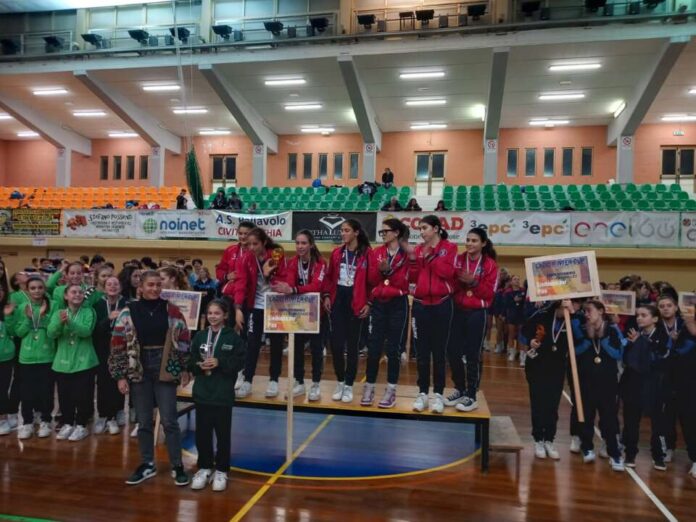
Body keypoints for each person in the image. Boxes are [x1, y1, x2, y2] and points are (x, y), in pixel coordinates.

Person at [110, 270, 191, 486]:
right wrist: (120, 376)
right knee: (144, 421)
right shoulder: (129, 311)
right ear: (141, 287)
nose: (155, 289)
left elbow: (184, 339)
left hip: (166, 366)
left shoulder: (172, 310)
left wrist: (184, 368)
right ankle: (147, 464)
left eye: (158, 285)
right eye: (150, 285)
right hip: (138, 367)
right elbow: (117, 343)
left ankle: (177, 465)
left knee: (170, 420)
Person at [189, 299, 246, 492]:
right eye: (210, 313)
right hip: (202, 392)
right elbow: (190, 361)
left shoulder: (233, 338)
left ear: (225, 315)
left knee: (223, 435)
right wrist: (198, 365)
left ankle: (221, 470)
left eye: (217, 313)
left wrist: (219, 362)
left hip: (222, 394)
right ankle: (204, 467)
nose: (213, 316)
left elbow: (239, 362)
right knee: (202, 434)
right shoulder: (200, 336)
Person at [407, 215, 457, 413]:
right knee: (421, 353)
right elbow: (413, 276)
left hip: (442, 304)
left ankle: (438, 394)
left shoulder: (450, 248)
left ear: (436, 228)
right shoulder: (418, 249)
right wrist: (413, 263)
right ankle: (422, 393)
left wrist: (431, 257)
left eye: (425, 227)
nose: (421, 232)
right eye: (420, 228)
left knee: (439, 353)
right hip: (420, 305)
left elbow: (448, 273)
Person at [445, 228, 498, 413]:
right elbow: (451, 284)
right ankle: (460, 388)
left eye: (474, 240)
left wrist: (473, 282)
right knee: (452, 351)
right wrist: (460, 282)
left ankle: (472, 394)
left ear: (483, 243)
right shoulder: (459, 259)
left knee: (473, 354)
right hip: (458, 311)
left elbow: (489, 294)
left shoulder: (490, 265)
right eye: (467, 240)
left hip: (477, 313)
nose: (469, 243)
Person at [230, 228, 287, 399]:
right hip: (255, 306)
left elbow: (285, 279)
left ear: (264, 242)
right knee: (252, 344)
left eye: (255, 244)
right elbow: (240, 284)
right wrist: (238, 308)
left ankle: (274, 380)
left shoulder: (277, 253)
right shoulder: (245, 258)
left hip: (275, 305)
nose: (251, 247)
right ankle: (247, 380)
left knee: (276, 344)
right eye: (249, 244)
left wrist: (269, 275)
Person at [322, 219, 373, 404]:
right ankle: (340, 381)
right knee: (336, 345)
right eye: (342, 230)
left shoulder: (367, 253)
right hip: (338, 300)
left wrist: (369, 302)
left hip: (356, 301)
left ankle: (349, 384)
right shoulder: (337, 253)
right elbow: (329, 278)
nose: (343, 233)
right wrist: (327, 296)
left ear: (356, 232)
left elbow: (372, 281)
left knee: (352, 346)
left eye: (346, 230)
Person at [272, 230, 327, 401]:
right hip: (298, 311)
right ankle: (299, 382)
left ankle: (316, 384)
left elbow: (317, 286)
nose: (300, 246)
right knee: (296, 348)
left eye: (303, 243)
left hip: (316, 312)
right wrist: (285, 288)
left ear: (311, 245)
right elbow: (289, 283)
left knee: (316, 349)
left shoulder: (320, 263)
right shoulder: (292, 262)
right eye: (297, 243)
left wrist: (294, 289)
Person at [361, 218, 410, 408]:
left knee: (393, 349)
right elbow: (371, 279)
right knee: (374, 348)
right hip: (379, 304)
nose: (383, 235)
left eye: (386, 231)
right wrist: (381, 272)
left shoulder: (406, 254)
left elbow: (405, 282)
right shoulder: (377, 252)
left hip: (398, 303)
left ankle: (391, 390)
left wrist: (389, 272)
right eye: (381, 232)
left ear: (396, 233)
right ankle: (369, 386)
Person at [574, 300, 625, 471]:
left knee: (609, 418)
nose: (586, 314)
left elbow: (618, 354)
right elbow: (575, 352)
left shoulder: (612, 329)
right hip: (586, 380)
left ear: (601, 311)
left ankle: (614, 453)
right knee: (587, 416)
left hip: (607, 382)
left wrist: (602, 339)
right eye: (584, 311)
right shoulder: (582, 329)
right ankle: (587, 447)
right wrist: (588, 340)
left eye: (589, 311)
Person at [520, 300, 574, 460]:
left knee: (552, 405)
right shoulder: (542, 315)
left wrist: (573, 314)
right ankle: (538, 439)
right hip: (537, 366)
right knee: (538, 403)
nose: (566, 310)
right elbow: (524, 331)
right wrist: (530, 341)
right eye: (564, 307)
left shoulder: (572, 321)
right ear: (557, 305)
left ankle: (549, 439)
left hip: (557, 368)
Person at [620, 304, 670, 470]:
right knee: (631, 420)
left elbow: (658, 360)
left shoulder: (662, 336)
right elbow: (626, 359)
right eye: (637, 315)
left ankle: (658, 455)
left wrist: (641, 343)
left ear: (655, 318)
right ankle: (630, 453)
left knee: (657, 422)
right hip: (633, 383)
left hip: (653, 384)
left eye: (643, 315)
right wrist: (632, 345)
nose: (639, 318)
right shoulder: (633, 334)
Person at [48, 284, 98, 442]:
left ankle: (82, 425)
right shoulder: (59, 313)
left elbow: (86, 332)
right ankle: (68, 423)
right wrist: (60, 323)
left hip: (84, 361)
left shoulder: (89, 311)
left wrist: (69, 322)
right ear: (66, 296)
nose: (77, 294)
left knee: (83, 396)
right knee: (65, 396)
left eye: (80, 292)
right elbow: (51, 333)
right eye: (73, 292)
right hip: (62, 362)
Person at [12, 276, 54, 439]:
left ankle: (45, 420)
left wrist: (42, 317)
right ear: (27, 290)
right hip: (27, 357)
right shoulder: (22, 307)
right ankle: (27, 422)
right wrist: (29, 319)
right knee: (27, 392)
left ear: (44, 289)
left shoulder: (53, 305)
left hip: (47, 356)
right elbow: (19, 332)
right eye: (33, 288)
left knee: (46, 391)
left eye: (40, 287)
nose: (37, 291)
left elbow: (53, 330)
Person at [659, 294, 696, 478]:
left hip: (687, 380)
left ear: (676, 307)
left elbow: (687, 349)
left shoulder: (686, 324)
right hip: (665, 378)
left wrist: (674, 343)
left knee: (689, 419)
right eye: (662, 306)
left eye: (669, 305)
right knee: (667, 416)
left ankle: (695, 457)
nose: (665, 308)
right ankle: (669, 448)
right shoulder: (658, 325)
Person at [92, 276, 127, 436]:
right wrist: (108, 319)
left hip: (121, 346)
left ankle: (116, 412)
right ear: (104, 287)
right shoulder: (98, 305)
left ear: (120, 287)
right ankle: (103, 415)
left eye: (115, 284)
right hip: (102, 348)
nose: (112, 286)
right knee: (103, 381)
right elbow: (94, 330)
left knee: (119, 379)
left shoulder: (126, 303)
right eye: (109, 284)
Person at [216, 221, 256, 299]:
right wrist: (226, 276)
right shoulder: (230, 250)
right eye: (240, 233)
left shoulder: (257, 252)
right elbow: (220, 270)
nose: (243, 237)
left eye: (246, 234)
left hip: (250, 295)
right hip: (230, 294)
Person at [0, 285, 16, 436]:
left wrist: (9, 316)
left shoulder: (8, 308)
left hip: (5, 356)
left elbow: (13, 332)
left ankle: (3, 418)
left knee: (2, 388)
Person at [504, 275, 526, 363]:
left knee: (521, 335)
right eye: (515, 279)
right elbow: (506, 304)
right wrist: (514, 300)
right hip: (512, 315)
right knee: (511, 334)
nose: (517, 280)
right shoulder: (507, 292)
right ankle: (512, 353)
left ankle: (521, 354)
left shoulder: (523, 291)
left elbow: (526, 302)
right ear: (511, 282)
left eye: (518, 279)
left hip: (521, 315)